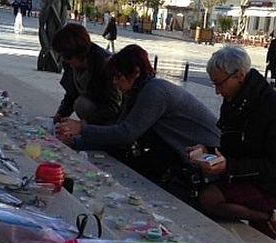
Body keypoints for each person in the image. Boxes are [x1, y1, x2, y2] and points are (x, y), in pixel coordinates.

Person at [56, 44, 220, 189]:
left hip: (208, 155)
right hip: (180, 152)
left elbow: (126, 133)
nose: (114, 82)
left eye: (118, 76)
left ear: (135, 73)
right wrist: (76, 141)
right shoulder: (138, 91)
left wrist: (81, 129)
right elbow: (118, 126)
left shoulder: (154, 91)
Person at [189, 46, 276, 240]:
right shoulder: (234, 99)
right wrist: (207, 151)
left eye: (219, 84)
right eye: (213, 84)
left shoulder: (275, 108)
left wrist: (229, 167)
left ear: (239, 76)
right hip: (247, 172)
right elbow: (232, 145)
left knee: (208, 199)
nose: (217, 91)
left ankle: (263, 216)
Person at [51, 23, 121, 125]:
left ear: (78, 54)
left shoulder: (103, 64)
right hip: (96, 106)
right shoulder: (71, 64)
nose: (65, 61)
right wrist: (60, 115)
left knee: (82, 104)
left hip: (111, 115)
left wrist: (83, 124)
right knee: (80, 103)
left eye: (66, 57)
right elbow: (71, 93)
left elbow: (113, 106)